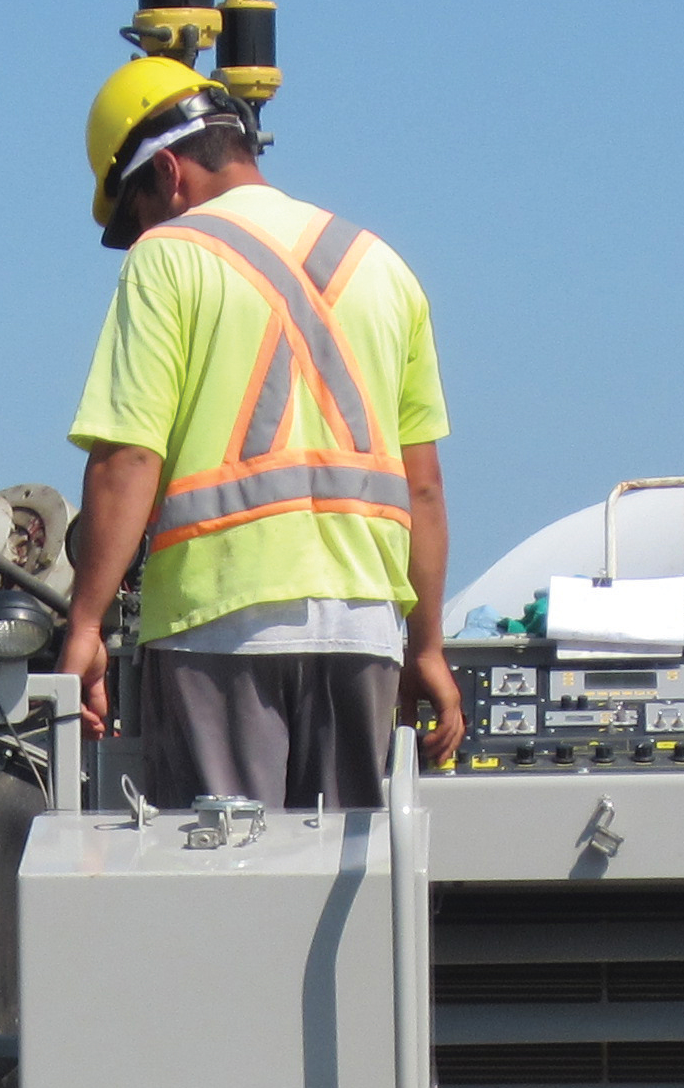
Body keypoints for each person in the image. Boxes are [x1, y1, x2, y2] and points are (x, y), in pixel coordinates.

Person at [53, 56, 466, 808]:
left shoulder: (168, 260)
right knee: (346, 895)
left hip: (222, 630)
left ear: (169, 174)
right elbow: (425, 488)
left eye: (137, 210)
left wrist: (86, 627)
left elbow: (128, 458)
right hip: (364, 629)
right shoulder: (383, 269)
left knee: (226, 889)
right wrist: (428, 645)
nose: (142, 230)